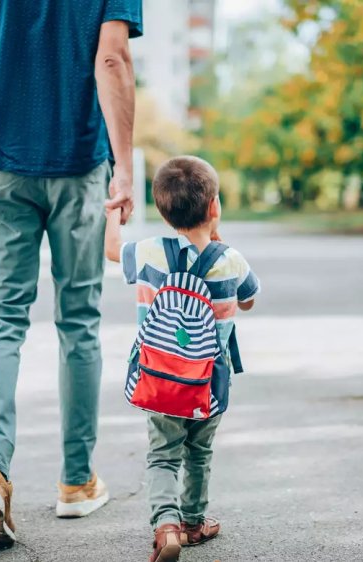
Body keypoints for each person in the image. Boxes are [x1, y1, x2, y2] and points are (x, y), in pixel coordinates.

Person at [0, 0, 143, 545]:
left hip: (0, 158)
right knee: (78, 320)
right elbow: (113, 60)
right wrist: (124, 168)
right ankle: (76, 482)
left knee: (2, 316)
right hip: (78, 162)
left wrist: (1, 77)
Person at [104, 156, 260, 562]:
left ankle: (166, 525)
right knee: (198, 452)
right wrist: (217, 238)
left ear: (162, 210)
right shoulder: (232, 260)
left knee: (162, 453)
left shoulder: (149, 253)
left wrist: (113, 212)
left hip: (158, 380)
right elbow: (248, 300)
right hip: (208, 383)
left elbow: (110, 251)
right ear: (214, 207)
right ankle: (193, 521)